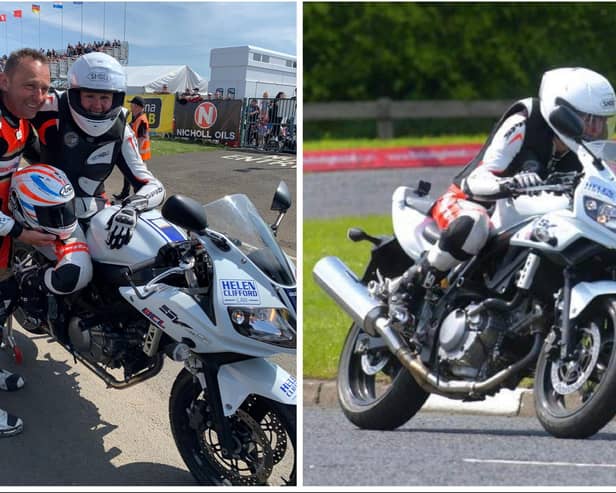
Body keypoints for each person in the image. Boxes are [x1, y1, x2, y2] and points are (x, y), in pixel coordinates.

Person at [397, 67, 616, 298]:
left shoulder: (583, 152)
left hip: (526, 215)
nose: (597, 130)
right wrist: (509, 184)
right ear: (560, 114)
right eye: (589, 120)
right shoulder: (523, 121)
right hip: (472, 203)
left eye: (602, 122)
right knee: (473, 225)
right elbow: (475, 180)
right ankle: (408, 287)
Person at [0, 48, 55, 437]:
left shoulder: (22, 121)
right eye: (29, 86)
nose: (38, 96)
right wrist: (20, 232)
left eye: (45, 88)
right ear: (4, 81)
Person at [114, 95, 151, 200]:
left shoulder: (142, 120)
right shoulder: (136, 118)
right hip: (134, 152)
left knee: (138, 176)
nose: (131, 106)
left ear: (138, 107)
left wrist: (136, 154)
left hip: (139, 153)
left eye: (133, 104)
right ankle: (125, 193)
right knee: (128, 173)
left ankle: (140, 196)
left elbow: (141, 138)